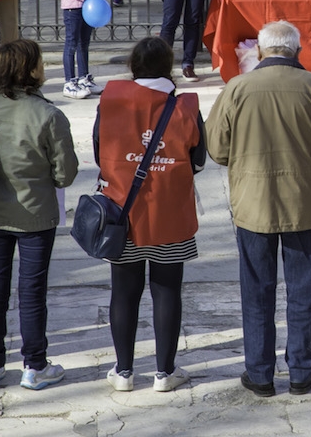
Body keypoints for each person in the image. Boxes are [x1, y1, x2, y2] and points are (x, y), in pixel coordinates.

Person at [207, 20, 311, 397]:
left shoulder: (237, 88)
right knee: (303, 290)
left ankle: (259, 373)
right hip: (303, 203)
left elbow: (217, 148)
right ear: (297, 52)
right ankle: (302, 371)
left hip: (252, 205)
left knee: (257, 290)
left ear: (259, 51)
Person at [94, 37, 206, 393]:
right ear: (169, 65)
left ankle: (124, 372)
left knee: (124, 292)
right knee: (167, 290)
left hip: (122, 214)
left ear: (133, 65)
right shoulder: (185, 105)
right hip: (170, 214)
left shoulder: (110, 100)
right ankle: (164, 372)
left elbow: (99, 152)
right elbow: (199, 159)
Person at [0, 40, 79, 390]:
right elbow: (66, 174)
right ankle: (35, 366)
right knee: (32, 293)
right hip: (35, 217)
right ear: (29, 70)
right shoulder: (48, 114)